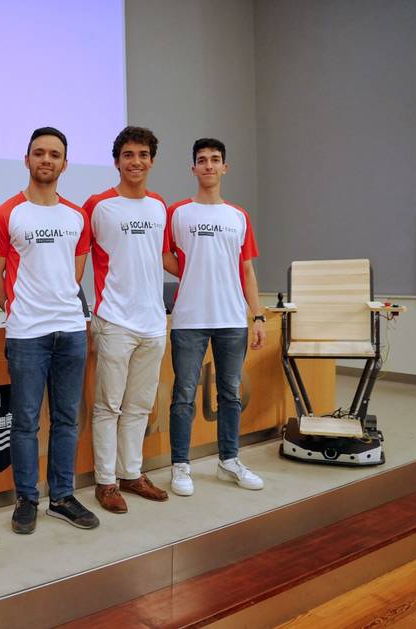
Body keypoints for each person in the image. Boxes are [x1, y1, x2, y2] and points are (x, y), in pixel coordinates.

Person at [0, 127, 99, 534]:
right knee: (26, 421)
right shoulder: (6, 213)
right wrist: (12, 303)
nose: (46, 160)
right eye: (39, 153)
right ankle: (27, 499)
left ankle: (63, 497)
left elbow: (76, 271)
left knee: (68, 419)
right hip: (26, 334)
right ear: (27, 159)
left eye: (54, 154)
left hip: (70, 330)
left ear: (65, 163)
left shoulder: (76, 216)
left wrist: (61, 300)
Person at [162, 137, 266, 497]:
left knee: (230, 394)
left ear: (225, 167)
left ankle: (229, 461)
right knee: (184, 395)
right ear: (193, 168)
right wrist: (192, 273)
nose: (208, 165)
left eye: (215, 160)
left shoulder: (238, 217)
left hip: (232, 320)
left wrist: (259, 316)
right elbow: (164, 256)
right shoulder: (178, 213)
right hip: (190, 318)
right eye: (202, 160)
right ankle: (181, 465)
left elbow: (247, 270)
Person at [83, 126, 170, 514]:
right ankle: (106, 481)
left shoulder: (158, 206)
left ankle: (131, 474)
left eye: (143, 155)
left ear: (152, 160)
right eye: (129, 155)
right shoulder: (99, 205)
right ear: (117, 161)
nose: (136, 162)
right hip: (114, 321)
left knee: (138, 406)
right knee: (108, 407)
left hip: (153, 322)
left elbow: (164, 258)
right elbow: (78, 261)